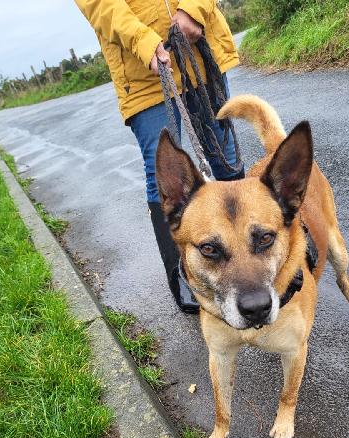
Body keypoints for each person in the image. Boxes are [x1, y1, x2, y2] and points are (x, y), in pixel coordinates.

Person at [74, 0, 244, 312]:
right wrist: (143, 41)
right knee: (163, 174)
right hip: (143, 73)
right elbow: (101, 5)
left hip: (199, 50)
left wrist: (193, 11)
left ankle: (256, 249)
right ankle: (182, 272)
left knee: (225, 156)